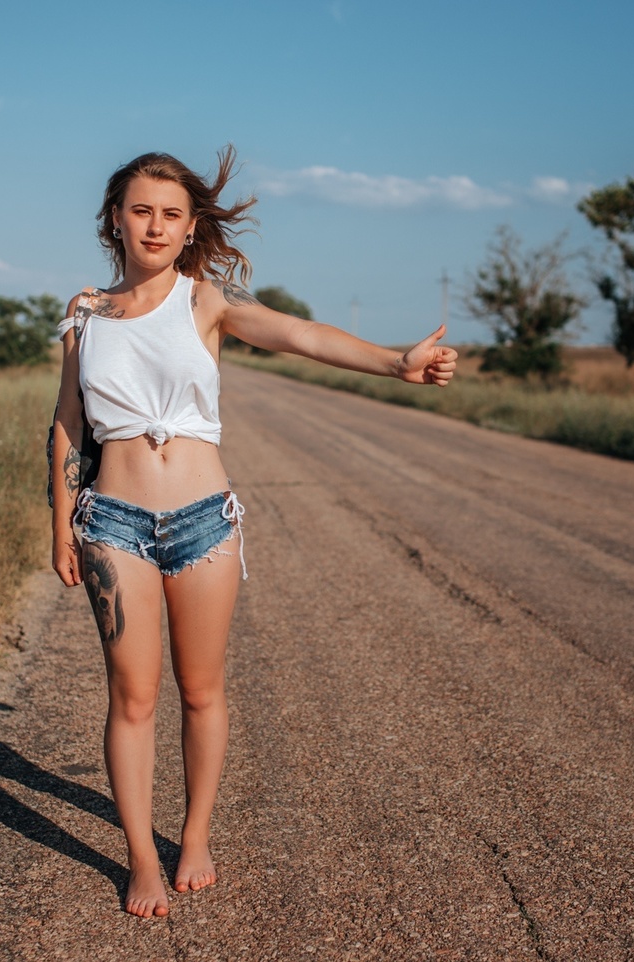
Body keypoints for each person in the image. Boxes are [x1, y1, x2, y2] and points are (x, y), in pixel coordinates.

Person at [50, 148, 456, 918]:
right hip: (112, 524)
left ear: (191, 223)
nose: (156, 225)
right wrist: (57, 523)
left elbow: (300, 334)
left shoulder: (205, 302)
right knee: (132, 698)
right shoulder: (84, 315)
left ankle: (194, 835)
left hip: (204, 519)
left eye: (172, 213)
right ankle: (140, 855)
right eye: (141, 210)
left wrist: (394, 361)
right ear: (115, 218)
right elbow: (68, 422)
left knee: (201, 691)